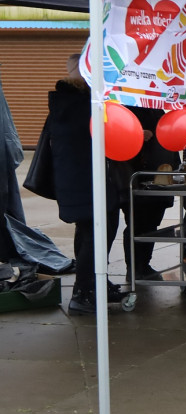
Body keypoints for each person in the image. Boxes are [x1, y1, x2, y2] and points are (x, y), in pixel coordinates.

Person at [46, 54, 126, 314]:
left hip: (75, 180)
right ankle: (83, 292)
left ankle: (94, 282)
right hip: (86, 180)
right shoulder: (84, 105)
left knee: (89, 230)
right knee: (99, 231)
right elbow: (102, 134)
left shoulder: (64, 103)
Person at [121, 106, 180, 281]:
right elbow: (119, 137)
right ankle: (134, 268)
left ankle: (144, 264)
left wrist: (175, 167)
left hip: (161, 176)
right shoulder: (127, 109)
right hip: (138, 177)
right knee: (136, 225)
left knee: (152, 224)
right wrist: (138, 134)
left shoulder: (157, 112)